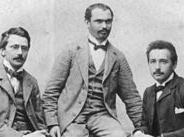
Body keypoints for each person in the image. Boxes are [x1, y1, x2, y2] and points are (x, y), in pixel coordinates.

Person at [42, 3, 142, 137]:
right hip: (72, 116)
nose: (104, 26)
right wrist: (52, 123)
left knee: (119, 135)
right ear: (87, 22)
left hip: (102, 115)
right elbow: (51, 92)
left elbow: (131, 97)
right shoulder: (70, 51)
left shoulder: (118, 57)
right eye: (99, 21)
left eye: (108, 21)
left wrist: (141, 128)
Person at [0, 27, 49, 137]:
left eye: (24, 48)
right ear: (3, 51)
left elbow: (40, 120)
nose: (20, 52)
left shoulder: (32, 82)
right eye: (15, 47)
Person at [133, 40, 184, 137]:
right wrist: (139, 132)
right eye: (152, 61)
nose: (157, 67)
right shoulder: (148, 92)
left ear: (174, 64)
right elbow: (145, 125)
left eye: (163, 61)